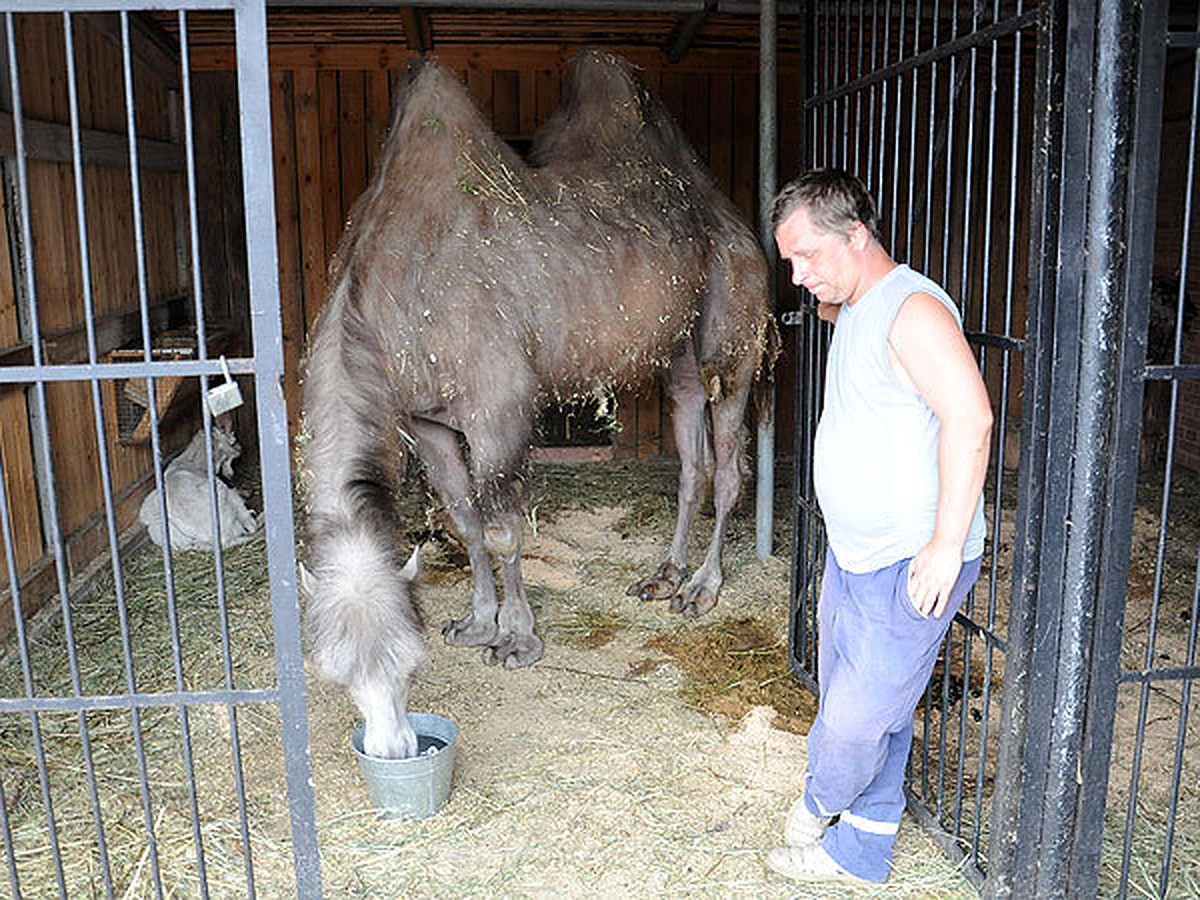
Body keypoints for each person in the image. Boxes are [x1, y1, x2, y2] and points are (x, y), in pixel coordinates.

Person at [766, 168, 992, 885]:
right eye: (790, 262)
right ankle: (861, 850)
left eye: (808, 257)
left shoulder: (913, 311)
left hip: (911, 557)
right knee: (872, 701)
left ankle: (818, 805)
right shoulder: (858, 303)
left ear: (857, 234)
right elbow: (844, 315)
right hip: (856, 553)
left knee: (856, 719)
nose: (799, 277)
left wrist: (945, 546)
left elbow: (972, 417)